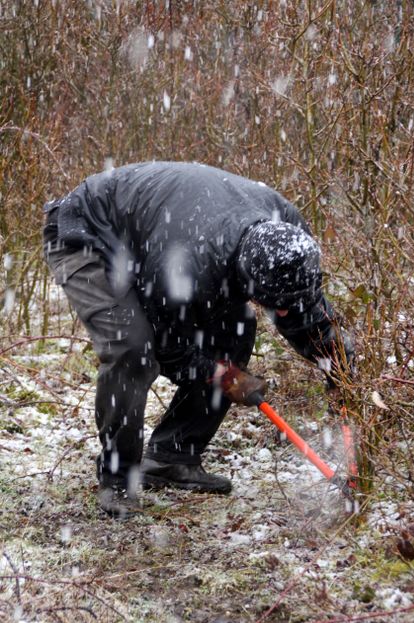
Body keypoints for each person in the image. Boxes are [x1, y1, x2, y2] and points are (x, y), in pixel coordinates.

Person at [43, 161, 353, 518]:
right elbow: (169, 346)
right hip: (87, 232)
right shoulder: (186, 267)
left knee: (235, 334)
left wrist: (338, 365)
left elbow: (304, 311)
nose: (282, 314)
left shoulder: (290, 237)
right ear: (246, 277)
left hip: (163, 233)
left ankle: (172, 456)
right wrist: (221, 375)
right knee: (132, 348)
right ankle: (118, 478)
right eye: (275, 305)